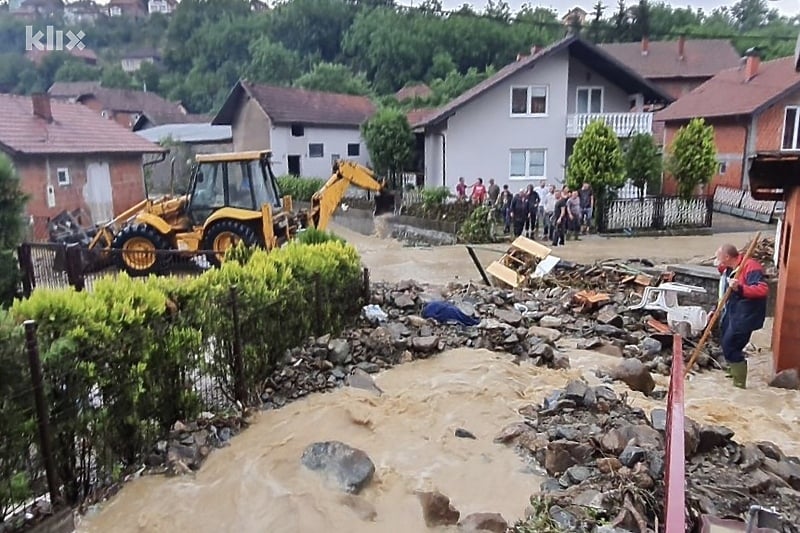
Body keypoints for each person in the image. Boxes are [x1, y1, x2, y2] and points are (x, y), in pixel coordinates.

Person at [712, 243, 769, 389]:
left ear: (727, 257)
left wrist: (740, 288)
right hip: (732, 310)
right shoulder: (729, 267)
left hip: (746, 314)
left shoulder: (751, 267)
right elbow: (722, 271)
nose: (717, 259)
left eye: (719, 257)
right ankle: (733, 370)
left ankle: (739, 383)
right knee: (724, 338)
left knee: (731, 345)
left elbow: (762, 289)